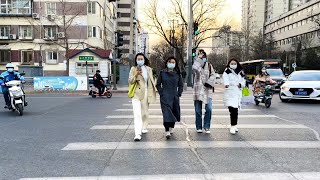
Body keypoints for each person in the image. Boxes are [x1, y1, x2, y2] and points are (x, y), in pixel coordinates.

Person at [128, 53, 157, 141]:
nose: (140, 60)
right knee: (137, 114)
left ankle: (144, 126)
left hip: (146, 93)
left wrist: (153, 91)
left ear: (144, 59)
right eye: (138, 59)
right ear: (136, 60)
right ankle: (137, 133)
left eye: (141, 59)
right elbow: (130, 81)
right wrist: (136, 75)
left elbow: (151, 81)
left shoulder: (148, 69)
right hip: (137, 93)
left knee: (144, 113)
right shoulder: (133, 69)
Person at [156, 57, 183, 139]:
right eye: (170, 62)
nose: (171, 63)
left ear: (175, 64)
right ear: (167, 63)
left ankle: (171, 127)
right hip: (165, 96)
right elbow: (158, 84)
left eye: (173, 62)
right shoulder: (162, 73)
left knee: (174, 112)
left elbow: (181, 85)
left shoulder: (178, 74)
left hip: (174, 96)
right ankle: (167, 130)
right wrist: (161, 93)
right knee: (167, 113)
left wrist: (178, 94)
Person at [192, 49, 216, 134]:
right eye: (200, 54)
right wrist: (198, 59)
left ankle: (206, 126)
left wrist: (208, 82)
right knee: (198, 110)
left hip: (207, 89)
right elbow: (194, 70)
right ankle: (199, 127)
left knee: (209, 109)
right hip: (198, 90)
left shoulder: (209, 65)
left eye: (203, 55)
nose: (202, 56)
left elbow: (213, 75)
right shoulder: (196, 65)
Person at [223, 58, 246, 135]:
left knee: (235, 110)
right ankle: (233, 125)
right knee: (232, 109)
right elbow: (225, 79)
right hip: (230, 92)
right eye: (232, 63)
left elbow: (243, 81)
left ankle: (234, 125)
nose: (233, 65)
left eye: (234, 63)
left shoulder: (240, 71)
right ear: (229, 64)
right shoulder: (227, 71)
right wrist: (227, 84)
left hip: (237, 92)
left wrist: (240, 84)